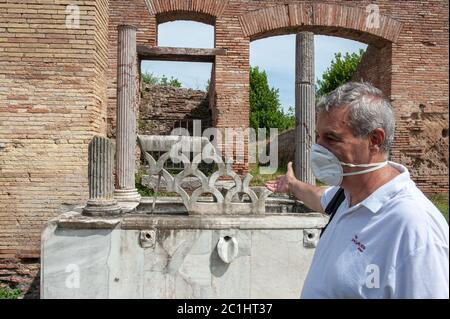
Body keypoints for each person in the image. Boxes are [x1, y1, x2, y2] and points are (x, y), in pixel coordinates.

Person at [265, 81, 449, 299]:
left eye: (331, 138)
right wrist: (292, 185)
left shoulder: (414, 226)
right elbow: (318, 197)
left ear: (374, 140)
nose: (317, 148)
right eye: (318, 136)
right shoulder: (346, 195)